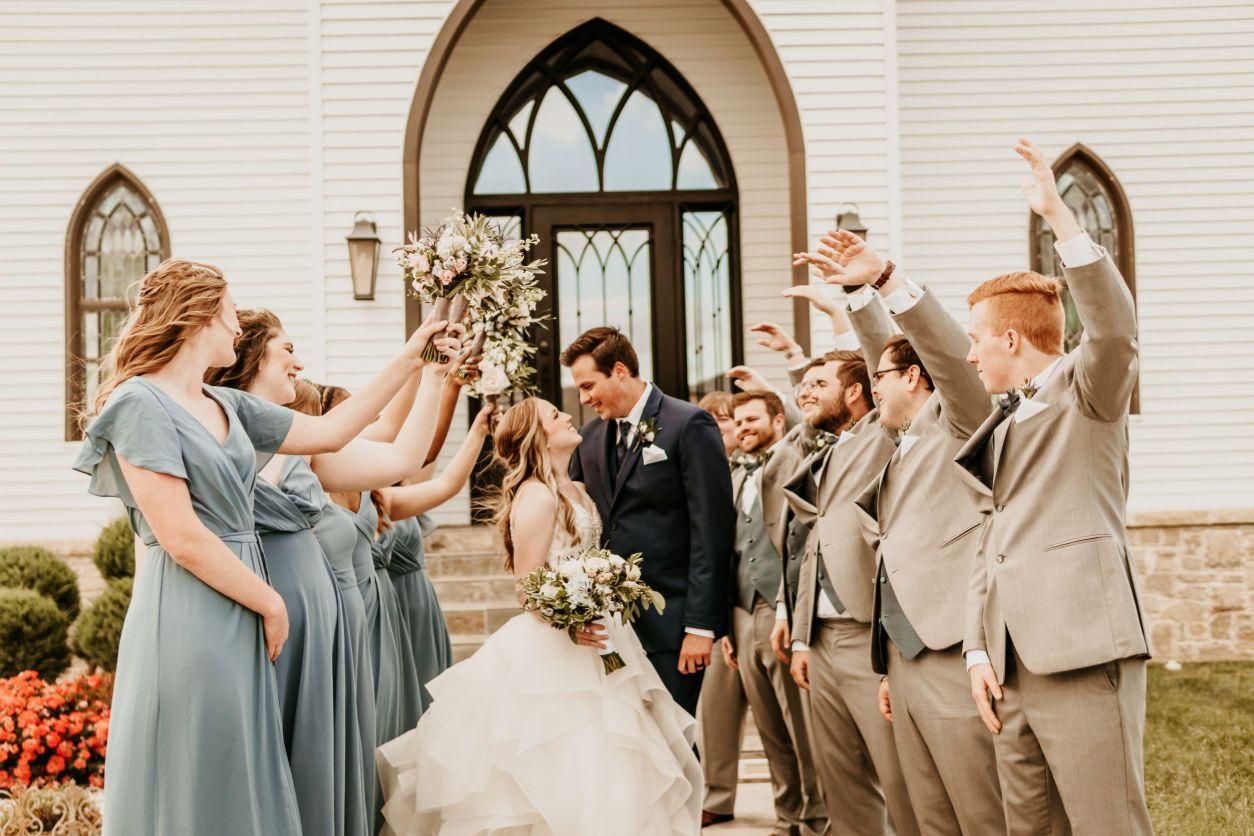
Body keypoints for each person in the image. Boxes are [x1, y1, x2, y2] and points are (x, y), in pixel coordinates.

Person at [73, 258, 445, 835]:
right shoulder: (138, 404)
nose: (236, 327)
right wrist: (271, 602)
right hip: (194, 608)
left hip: (242, 604)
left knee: (248, 760)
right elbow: (181, 536)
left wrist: (414, 357)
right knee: (205, 760)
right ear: (199, 319)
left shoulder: (227, 405)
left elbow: (331, 431)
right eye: (228, 315)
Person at [376, 398, 703, 835]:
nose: (567, 416)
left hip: (605, 636)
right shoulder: (536, 495)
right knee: (560, 754)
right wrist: (571, 621)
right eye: (554, 415)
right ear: (538, 437)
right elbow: (527, 586)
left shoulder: (578, 490)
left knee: (613, 754)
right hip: (559, 643)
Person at [956, 138, 1152, 834]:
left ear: (1011, 339)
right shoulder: (999, 422)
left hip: (1082, 649)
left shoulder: (1088, 391)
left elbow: (1115, 332)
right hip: (1012, 666)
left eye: (977, 338)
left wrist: (1060, 219)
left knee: (1107, 823)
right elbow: (995, 540)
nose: (970, 354)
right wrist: (979, 648)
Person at [797, 230, 1006, 833]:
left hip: (949, 648)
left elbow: (943, 358)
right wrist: (890, 664)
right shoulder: (899, 440)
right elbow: (881, 353)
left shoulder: (960, 421)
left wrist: (884, 282)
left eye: (882, 376)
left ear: (915, 377)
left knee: (978, 813)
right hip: (904, 653)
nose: (872, 386)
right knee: (926, 816)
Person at [781, 316, 921, 833]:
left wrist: (846, 312)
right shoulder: (824, 448)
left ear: (860, 391)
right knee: (839, 777)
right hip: (820, 639)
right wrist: (802, 637)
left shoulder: (880, 433)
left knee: (897, 773)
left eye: (819, 383)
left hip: (867, 633)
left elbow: (877, 356)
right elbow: (812, 547)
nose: (806, 392)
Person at [562, 327, 735, 715]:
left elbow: (712, 530)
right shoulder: (589, 437)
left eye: (588, 386)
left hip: (672, 625)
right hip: (611, 631)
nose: (584, 398)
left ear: (619, 371)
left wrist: (700, 626)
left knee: (674, 739)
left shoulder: (689, 424)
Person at [722, 390, 827, 836]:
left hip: (782, 604)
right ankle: (787, 818)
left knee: (799, 722)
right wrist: (724, 626)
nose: (743, 428)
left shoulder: (794, 459)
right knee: (768, 726)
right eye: (738, 422)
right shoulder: (733, 476)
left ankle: (817, 818)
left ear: (778, 420)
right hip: (742, 611)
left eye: (752, 419)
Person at [694, 391, 749, 828]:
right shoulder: (700, 472)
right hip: (717, 605)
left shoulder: (759, 464)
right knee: (715, 711)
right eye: (709, 420)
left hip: (755, 601)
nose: (718, 427)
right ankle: (717, 794)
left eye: (724, 419)